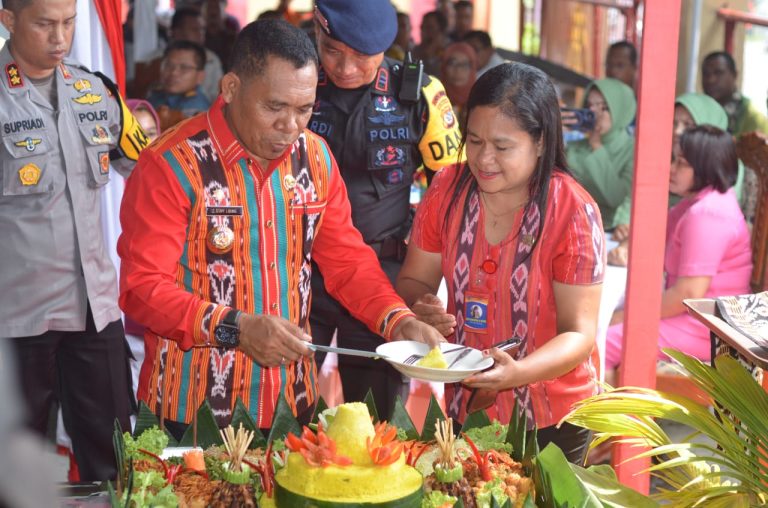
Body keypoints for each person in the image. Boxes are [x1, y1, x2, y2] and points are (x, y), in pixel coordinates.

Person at [118, 19, 443, 436]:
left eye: (304, 109)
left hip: (291, 402)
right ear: (231, 88)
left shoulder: (316, 157)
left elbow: (347, 261)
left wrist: (398, 321)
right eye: (274, 107)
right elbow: (141, 288)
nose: (290, 126)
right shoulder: (171, 165)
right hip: (193, 411)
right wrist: (236, 326)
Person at [396, 63, 605, 464]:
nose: (484, 159)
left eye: (503, 147)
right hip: (468, 403)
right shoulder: (448, 188)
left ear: (541, 143)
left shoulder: (573, 210)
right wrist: (422, 306)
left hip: (554, 416)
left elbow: (579, 336)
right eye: (474, 141)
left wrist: (517, 374)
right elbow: (412, 281)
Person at [0, 0, 148, 480]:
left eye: (69, 23)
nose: (60, 37)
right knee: (21, 471)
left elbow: (150, 169)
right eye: (45, 23)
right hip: (17, 318)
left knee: (115, 462)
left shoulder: (95, 91)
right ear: (8, 20)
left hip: (95, 309)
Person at [309, 0, 464, 418]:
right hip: (299, 275)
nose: (343, 68)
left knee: (375, 416)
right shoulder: (295, 80)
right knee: (285, 406)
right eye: (331, 50)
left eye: (360, 57)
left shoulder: (420, 94)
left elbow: (452, 191)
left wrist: (432, 285)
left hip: (382, 277)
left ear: (385, 48)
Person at [604, 126, 751, 383]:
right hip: (696, 318)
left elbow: (688, 294)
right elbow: (650, 235)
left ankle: (617, 421)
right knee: (610, 315)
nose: (671, 168)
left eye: (680, 163)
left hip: (709, 330)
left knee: (603, 340)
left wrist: (629, 316)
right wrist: (626, 246)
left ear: (705, 166)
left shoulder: (708, 215)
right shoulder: (697, 203)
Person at [607, 92, 745, 266]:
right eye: (674, 123)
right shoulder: (661, 158)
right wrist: (625, 226)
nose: (677, 131)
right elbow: (637, 199)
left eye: (688, 125)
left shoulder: (725, 171)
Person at [566, 78, 636, 230]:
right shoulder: (575, 147)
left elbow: (616, 198)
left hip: (612, 231)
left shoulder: (633, 150)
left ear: (620, 110)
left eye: (603, 107)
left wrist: (597, 147)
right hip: (574, 229)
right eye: (589, 105)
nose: (594, 112)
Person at [702, 51, 768, 137]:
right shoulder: (697, 111)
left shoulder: (752, 117)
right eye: (706, 74)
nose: (711, 80)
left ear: (734, 75)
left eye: (718, 73)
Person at [147, 40, 211, 124]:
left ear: (200, 76)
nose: (173, 72)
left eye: (184, 68)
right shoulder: (155, 97)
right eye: (168, 65)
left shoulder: (197, 107)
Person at [440, 41, 477, 129]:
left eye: (464, 65)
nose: (458, 70)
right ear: (444, 67)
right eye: (452, 63)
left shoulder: (481, 102)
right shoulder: (433, 99)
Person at [414, 10, 451, 77]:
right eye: (422, 27)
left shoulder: (451, 51)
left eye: (429, 27)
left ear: (441, 31)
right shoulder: (416, 51)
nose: (423, 31)